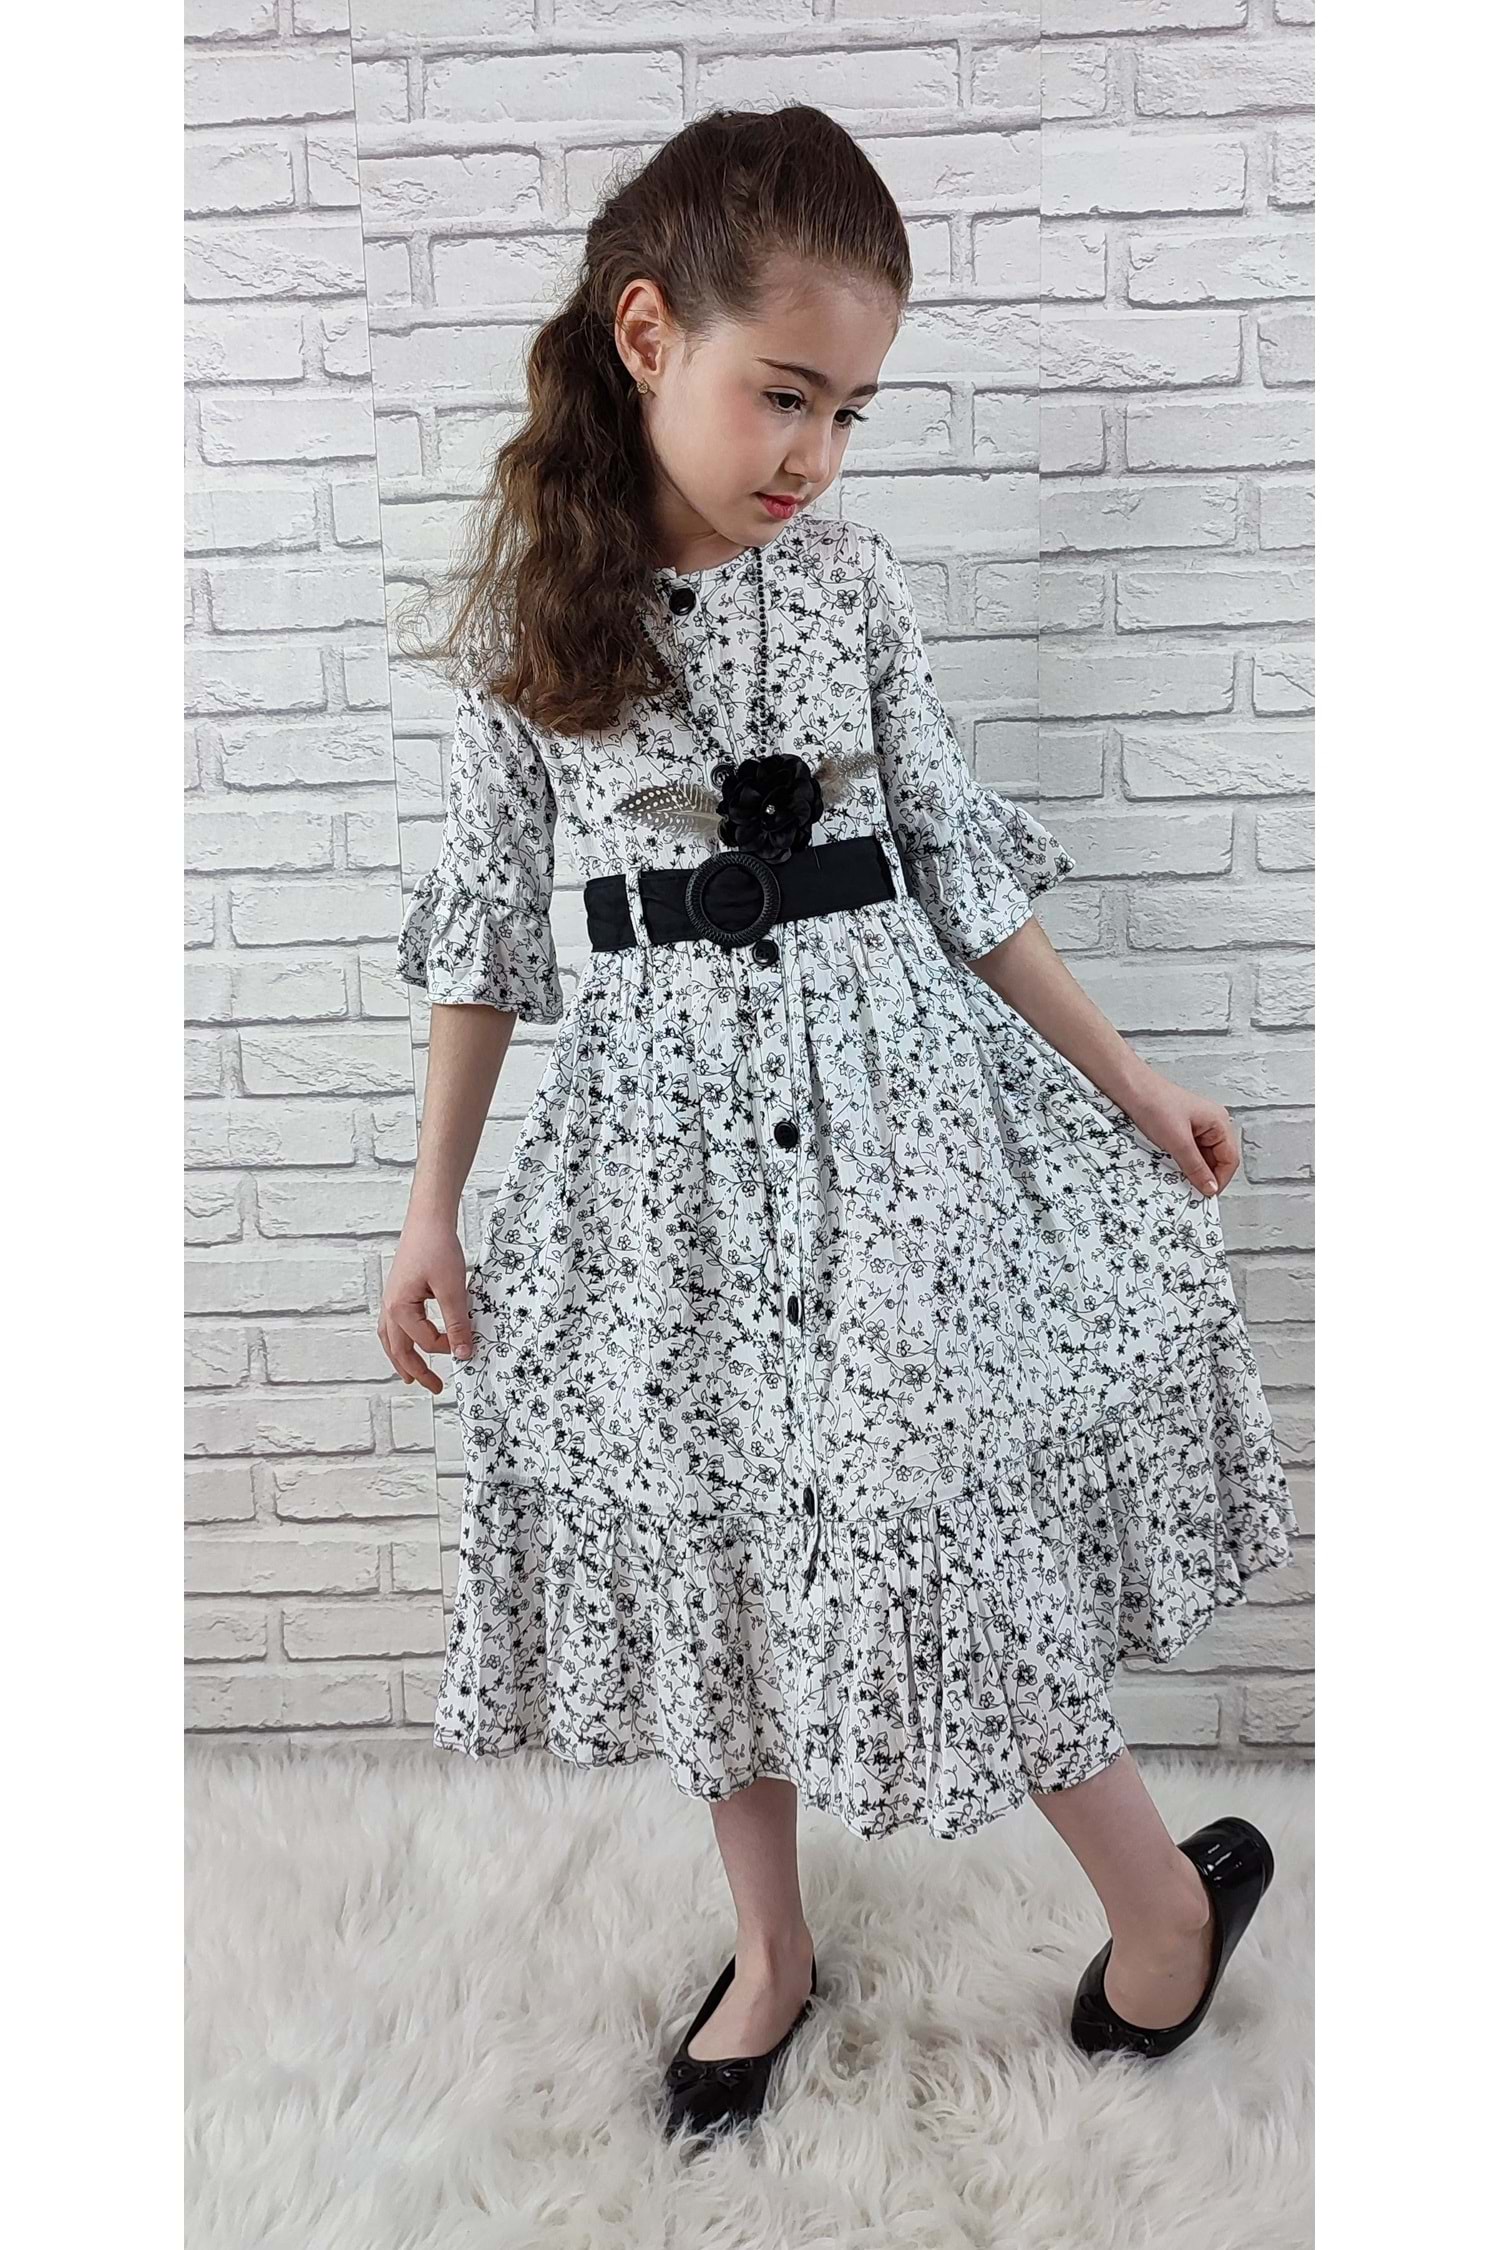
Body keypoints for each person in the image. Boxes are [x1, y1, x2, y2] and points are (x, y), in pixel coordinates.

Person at [378, 105, 1300, 2142]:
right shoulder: (539, 632)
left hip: (895, 1138)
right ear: (649, 335)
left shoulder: (852, 591)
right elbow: (481, 937)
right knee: (714, 1534)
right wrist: (431, 1208)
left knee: (938, 1514)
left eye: (850, 412)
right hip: (660, 1177)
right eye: (784, 393)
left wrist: (1128, 1075)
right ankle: (773, 1949)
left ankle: (1163, 1901)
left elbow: (957, 856)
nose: (815, 451)